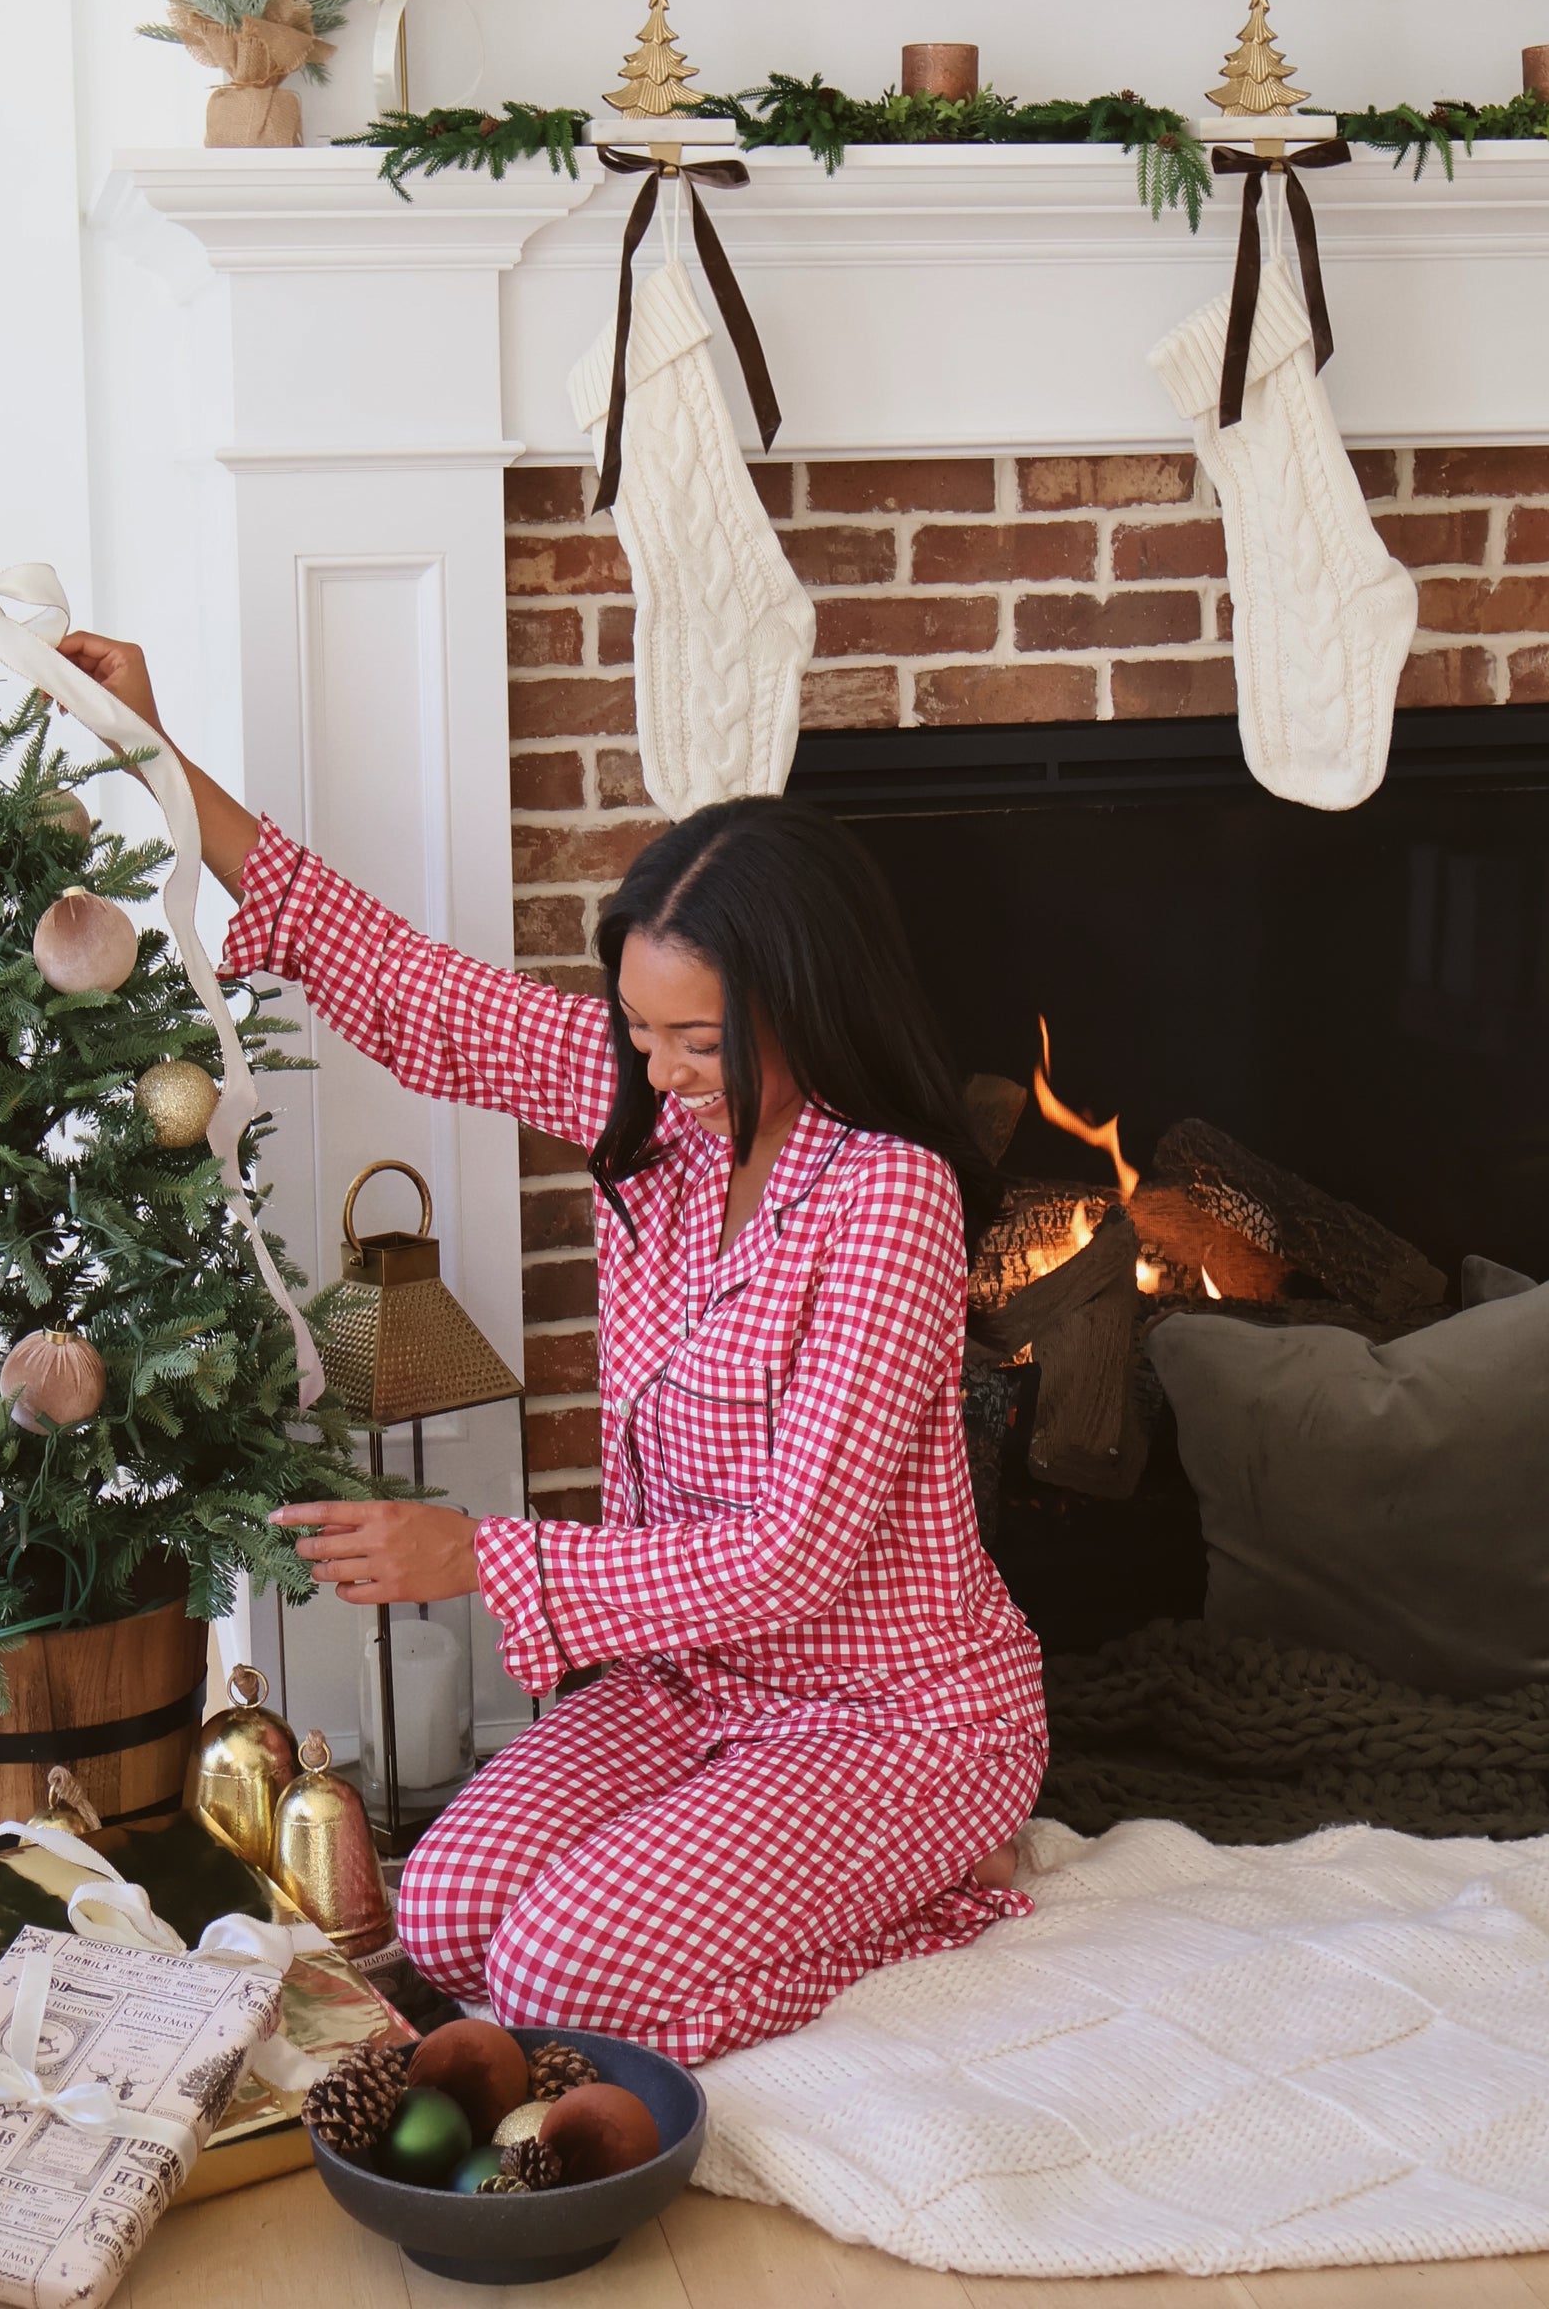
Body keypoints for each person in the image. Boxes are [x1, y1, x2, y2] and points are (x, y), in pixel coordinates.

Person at [59, 630, 1047, 2064]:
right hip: (690, 1685)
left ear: (808, 1002)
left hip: (890, 1721)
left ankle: (938, 1888)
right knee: (452, 1915)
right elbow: (401, 986)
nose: (657, 1076)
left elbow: (790, 1560)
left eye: (699, 1043)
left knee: (558, 1971)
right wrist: (153, 750)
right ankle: (754, 1889)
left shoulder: (890, 1197)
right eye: (639, 1033)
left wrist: (476, 1554)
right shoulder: (655, 1121)